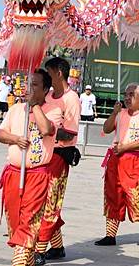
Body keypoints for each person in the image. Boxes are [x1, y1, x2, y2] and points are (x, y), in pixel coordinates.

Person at [0, 69, 61, 266]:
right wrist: (16, 139)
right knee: (15, 224)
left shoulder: (54, 110)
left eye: (34, 85)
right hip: (14, 174)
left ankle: (19, 262)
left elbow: (46, 129)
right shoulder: (16, 109)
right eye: (27, 84)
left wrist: (35, 107)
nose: (28, 89)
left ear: (46, 89)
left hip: (38, 175)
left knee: (29, 224)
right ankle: (28, 260)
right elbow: (0, 134)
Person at [94, 83, 139, 248]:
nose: (128, 98)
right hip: (115, 159)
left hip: (134, 160)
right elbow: (106, 129)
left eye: (132, 95)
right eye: (126, 94)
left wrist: (125, 147)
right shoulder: (120, 113)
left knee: (136, 197)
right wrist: (114, 113)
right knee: (113, 195)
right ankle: (110, 235)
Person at [35, 57, 81, 263]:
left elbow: (69, 134)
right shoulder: (50, 96)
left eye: (49, 73)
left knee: (50, 203)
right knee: (40, 201)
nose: (48, 77)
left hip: (59, 157)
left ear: (59, 74)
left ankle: (39, 250)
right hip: (42, 154)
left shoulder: (72, 99)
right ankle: (58, 246)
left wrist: (48, 131)